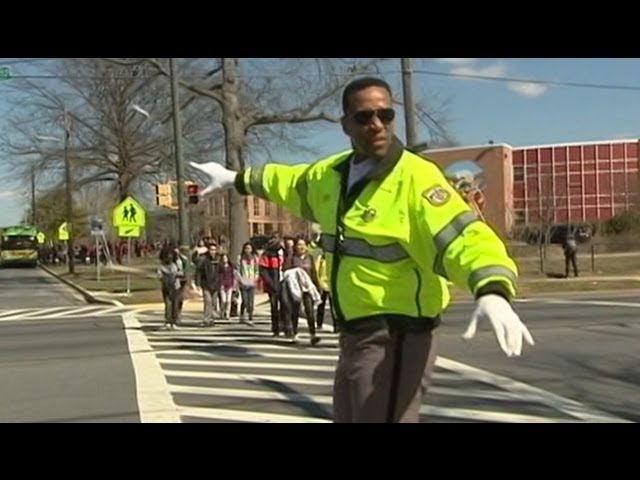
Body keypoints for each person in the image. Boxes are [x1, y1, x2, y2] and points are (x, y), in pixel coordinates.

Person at [191, 76, 534, 423]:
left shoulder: (416, 179)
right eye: (364, 117)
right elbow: (287, 181)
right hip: (355, 331)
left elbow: (464, 237)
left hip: (399, 331)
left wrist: (491, 288)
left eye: (385, 115)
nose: (376, 125)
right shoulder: (331, 175)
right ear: (345, 124)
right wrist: (234, 179)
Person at [281, 237, 322, 346]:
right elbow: (285, 270)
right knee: (295, 311)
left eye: (303, 244)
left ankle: (313, 334)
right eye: (299, 245)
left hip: (307, 288)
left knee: (310, 312)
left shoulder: (309, 258)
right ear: (295, 246)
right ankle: (294, 333)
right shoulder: (292, 258)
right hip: (295, 289)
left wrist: (317, 287)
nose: (301, 247)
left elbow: (313, 273)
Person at [259, 234, 285, 336]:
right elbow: (263, 270)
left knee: (286, 305)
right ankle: (276, 328)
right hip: (273, 284)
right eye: (273, 238)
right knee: (274, 306)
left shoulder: (285, 252)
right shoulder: (267, 254)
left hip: (284, 282)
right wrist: (271, 283)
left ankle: (285, 325)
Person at [195, 243, 221, 326]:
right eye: (211, 250)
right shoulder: (204, 260)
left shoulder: (218, 260)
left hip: (215, 285)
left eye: (214, 250)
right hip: (206, 284)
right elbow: (198, 272)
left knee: (213, 302)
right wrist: (198, 283)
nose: (213, 251)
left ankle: (211, 319)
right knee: (208, 302)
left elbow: (222, 272)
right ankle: (206, 319)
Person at [236, 242, 260, 326]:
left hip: (252, 282)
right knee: (245, 301)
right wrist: (240, 279)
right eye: (246, 248)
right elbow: (238, 270)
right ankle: (242, 315)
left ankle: (250, 317)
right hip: (243, 282)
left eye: (249, 248)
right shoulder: (240, 258)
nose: (248, 250)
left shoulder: (255, 258)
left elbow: (257, 270)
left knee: (251, 302)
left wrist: (256, 278)